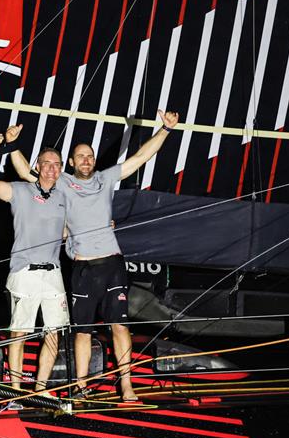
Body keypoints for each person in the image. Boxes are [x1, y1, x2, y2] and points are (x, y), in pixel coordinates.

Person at [9, 110, 179, 402]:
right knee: (82, 331)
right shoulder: (60, 181)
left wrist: (165, 129)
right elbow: (27, 172)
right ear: (71, 163)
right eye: (80, 156)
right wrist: (12, 146)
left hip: (112, 262)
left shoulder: (105, 178)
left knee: (120, 325)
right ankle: (80, 386)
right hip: (83, 268)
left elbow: (139, 159)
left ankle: (127, 386)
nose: (86, 160)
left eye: (90, 156)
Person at [0, 126, 70, 393]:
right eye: (47, 164)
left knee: (53, 334)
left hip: (53, 274)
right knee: (18, 333)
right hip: (24, 272)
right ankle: (16, 391)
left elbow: (69, 231)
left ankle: (41, 390)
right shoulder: (21, 190)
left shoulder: (65, 197)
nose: (52, 169)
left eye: (56, 165)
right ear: (38, 166)